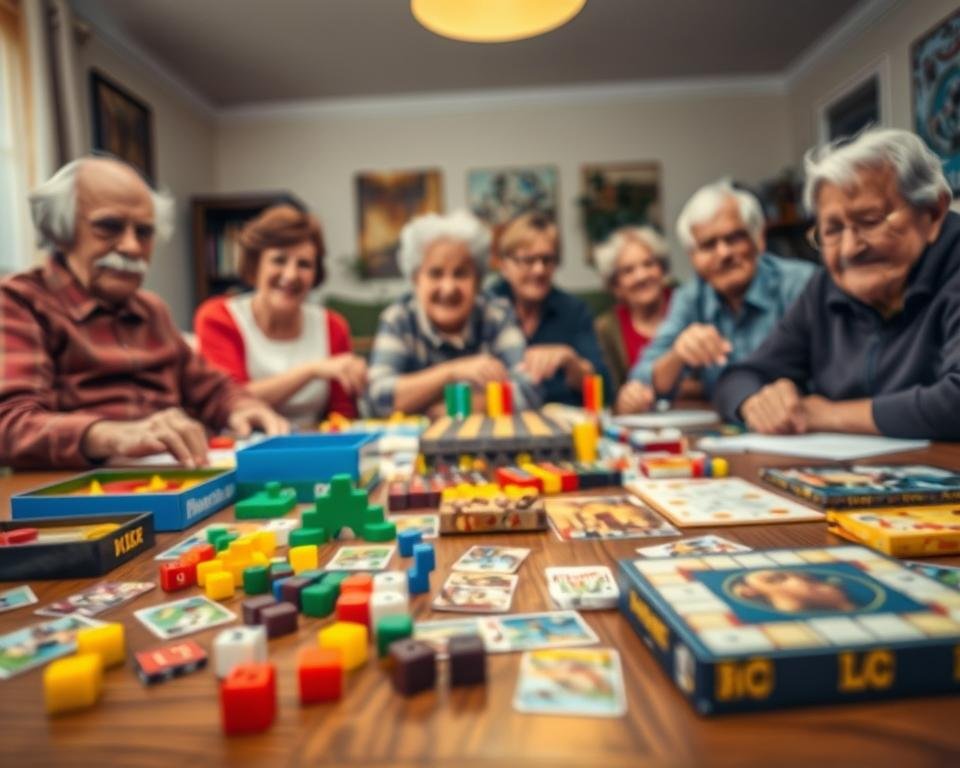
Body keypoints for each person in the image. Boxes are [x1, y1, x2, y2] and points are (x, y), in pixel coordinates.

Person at [0, 156, 287, 470]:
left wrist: (241, 407)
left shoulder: (152, 310)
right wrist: (110, 435)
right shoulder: (19, 301)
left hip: (179, 482)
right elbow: (10, 424)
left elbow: (212, 388)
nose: (132, 247)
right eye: (109, 227)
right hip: (81, 498)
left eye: (144, 232)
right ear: (61, 230)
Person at [714, 128, 960, 440]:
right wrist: (757, 404)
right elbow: (740, 377)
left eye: (870, 221)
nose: (849, 249)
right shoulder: (824, 288)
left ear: (934, 212)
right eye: (831, 231)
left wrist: (827, 415)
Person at [622, 180, 816, 412]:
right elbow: (642, 378)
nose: (723, 253)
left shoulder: (801, 284)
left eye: (734, 238)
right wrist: (678, 354)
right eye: (708, 245)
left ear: (759, 239)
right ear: (693, 256)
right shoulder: (691, 298)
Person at [195, 204, 365, 429]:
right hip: (240, 448)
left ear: (316, 274)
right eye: (279, 260)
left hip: (315, 452)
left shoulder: (333, 326)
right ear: (255, 264)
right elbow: (228, 400)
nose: (291, 275)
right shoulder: (218, 317)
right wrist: (311, 370)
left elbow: (343, 417)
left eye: (304, 264)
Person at [365, 210, 539, 417]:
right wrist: (453, 372)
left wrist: (447, 406)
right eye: (435, 273)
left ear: (478, 281)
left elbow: (529, 392)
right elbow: (377, 399)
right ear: (415, 279)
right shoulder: (398, 319)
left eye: (461, 273)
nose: (448, 288)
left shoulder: (496, 315)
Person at [487, 212, 610, 406]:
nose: (539, 270)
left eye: (547, 259)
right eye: (528, 260)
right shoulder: (485, 308)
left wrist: (569, 359)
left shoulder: (574, 310)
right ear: (504, 265)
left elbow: (604, 389)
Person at [592, 226, 673, 409]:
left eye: (649, 264)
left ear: (662, 269)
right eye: (628, 271)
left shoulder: (686, 307)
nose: (641, 276)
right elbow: (611, 396)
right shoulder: (606, 328)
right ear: (615, 285)